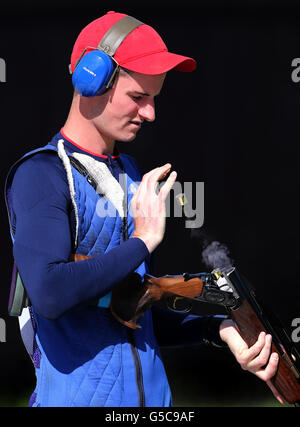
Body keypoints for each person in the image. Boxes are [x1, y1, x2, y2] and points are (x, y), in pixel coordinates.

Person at [5, 11, 281, 407]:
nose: (150, 113)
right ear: (90, 80)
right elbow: (49, 294)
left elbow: (132, 313)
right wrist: (142, 240)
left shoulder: (128, 173)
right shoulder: (42, 174)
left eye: (153, 98)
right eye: (138, 97)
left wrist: (217, 329)